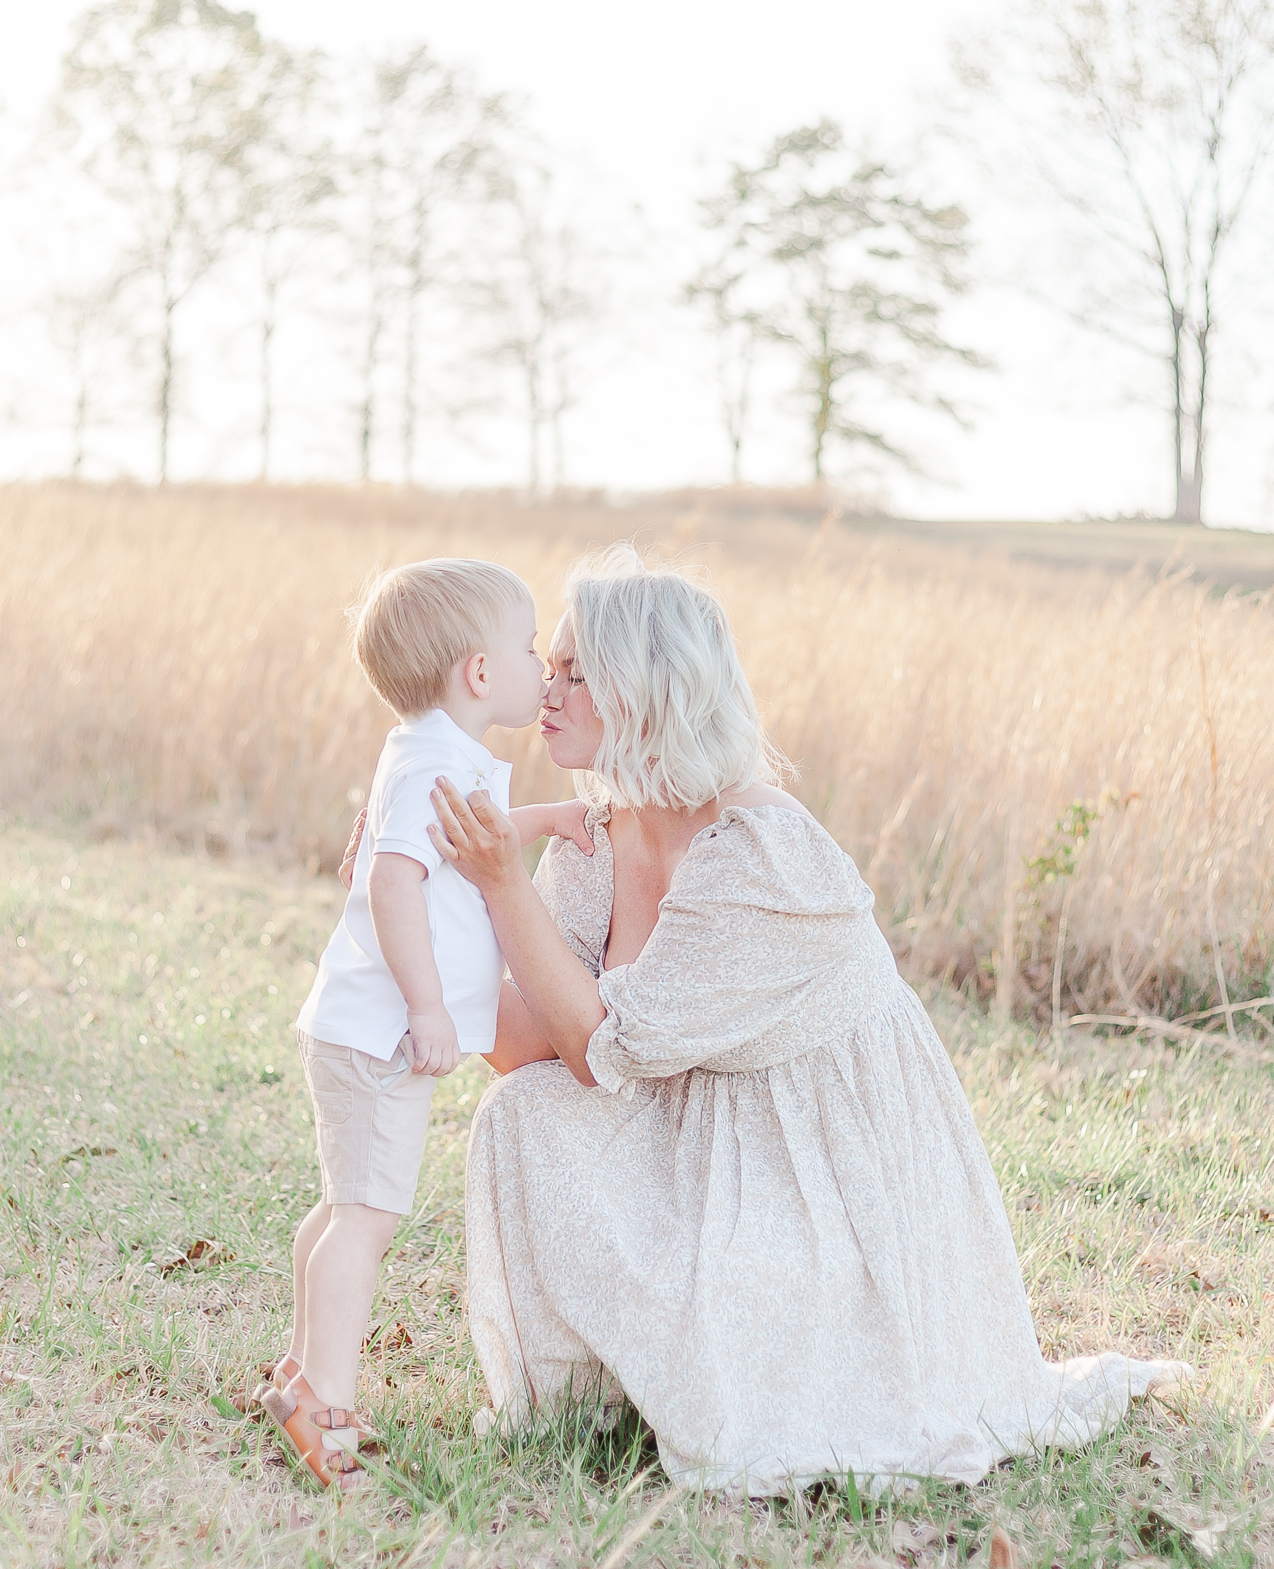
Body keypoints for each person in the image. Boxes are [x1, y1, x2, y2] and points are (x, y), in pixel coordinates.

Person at [427, 547, 1190, 1497]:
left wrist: (499, 880)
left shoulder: (758, 852)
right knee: (519, 1117)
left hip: (826, 1163)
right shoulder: (592, 832)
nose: (549, 688)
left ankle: (743, 1381)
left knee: (738, 1316)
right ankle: (589, 1401)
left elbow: (599, 1049)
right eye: (555, 666)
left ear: (650, 691)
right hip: (692, 1131)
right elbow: (522, 1046)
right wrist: (420, 902)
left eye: (580, 673)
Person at [261, 557, 591, 1492]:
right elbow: (390, 880)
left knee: (341, 1206)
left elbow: (463, 841)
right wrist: (428, 1007)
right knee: (365, 1218)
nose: (542, 670)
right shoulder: (434, 760)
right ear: (479, 674)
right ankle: (323, 1401)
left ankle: (298, 1372)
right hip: (381, 1033)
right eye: (530, 651)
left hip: (363, 1029)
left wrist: (546, 819)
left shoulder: (435, 752)